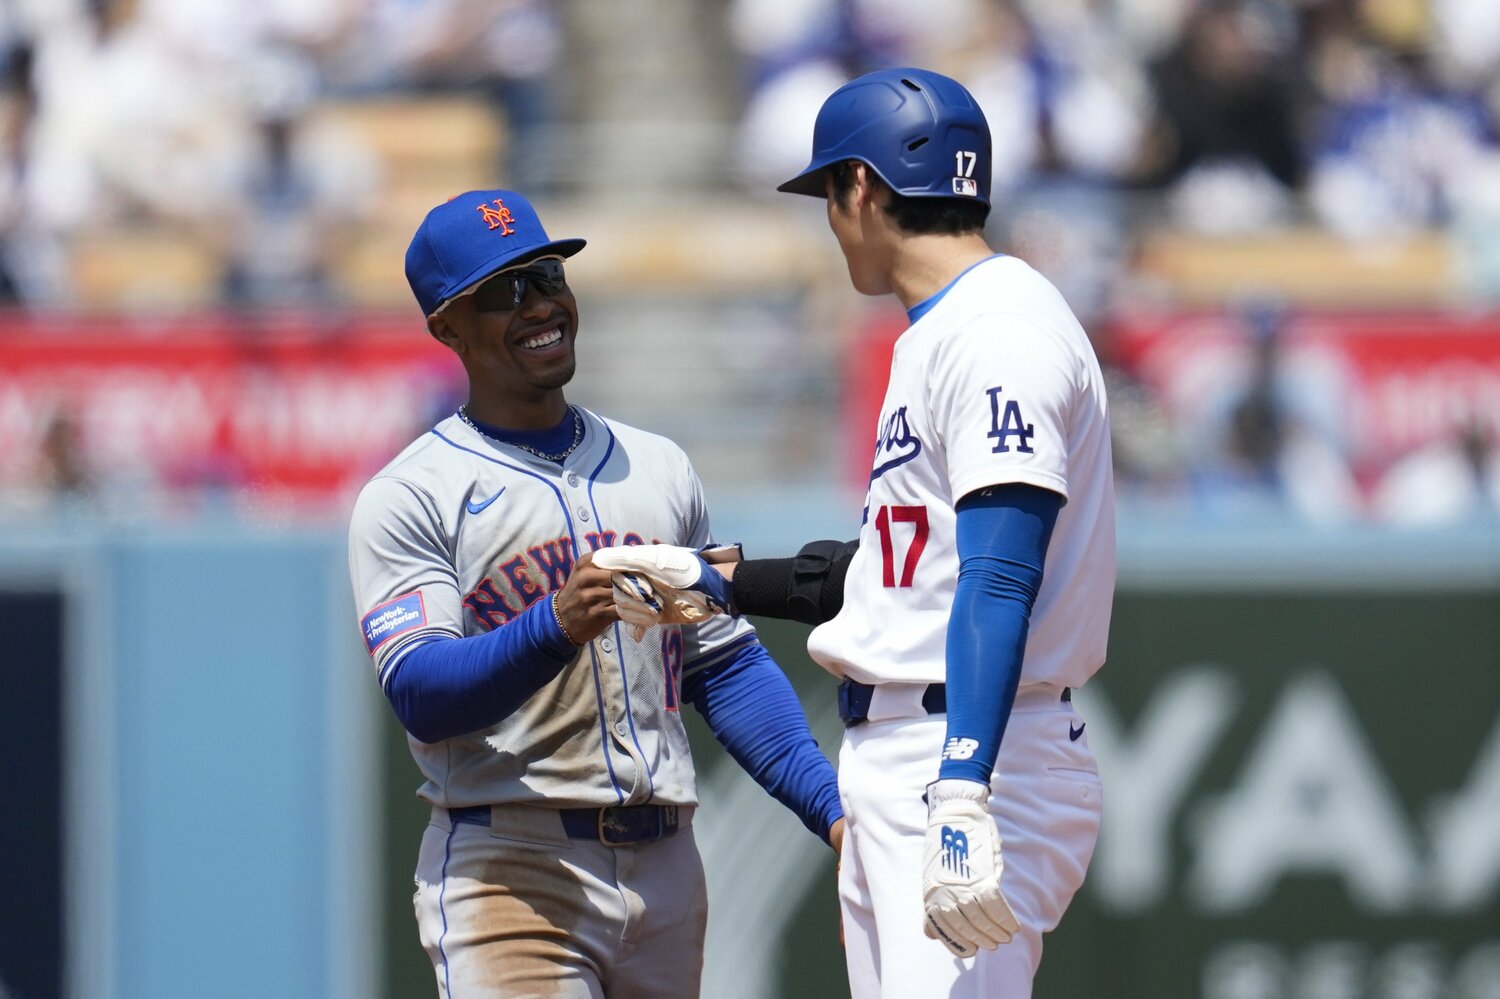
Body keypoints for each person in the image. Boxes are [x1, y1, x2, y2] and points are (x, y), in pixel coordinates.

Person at [595, 67, 1115, 998]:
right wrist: (718, 584)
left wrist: (964, 787)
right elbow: (899, 573)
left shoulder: (1001, 333)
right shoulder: (945, 329)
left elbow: (1000, 577)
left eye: (829, 195)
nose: (831, 223)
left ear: (863, 188)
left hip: (965, 750)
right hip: (911, 750)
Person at [345, 188, 844, 998]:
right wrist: (552, 625)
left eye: (546, 276)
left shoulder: (656, 467)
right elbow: (420, 692)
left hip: (667, 869)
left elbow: (721, 666)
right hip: (513, 867)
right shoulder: (412, 494)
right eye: (503, 292)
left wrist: (830, 807)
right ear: (447, 326)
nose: (538, 305)